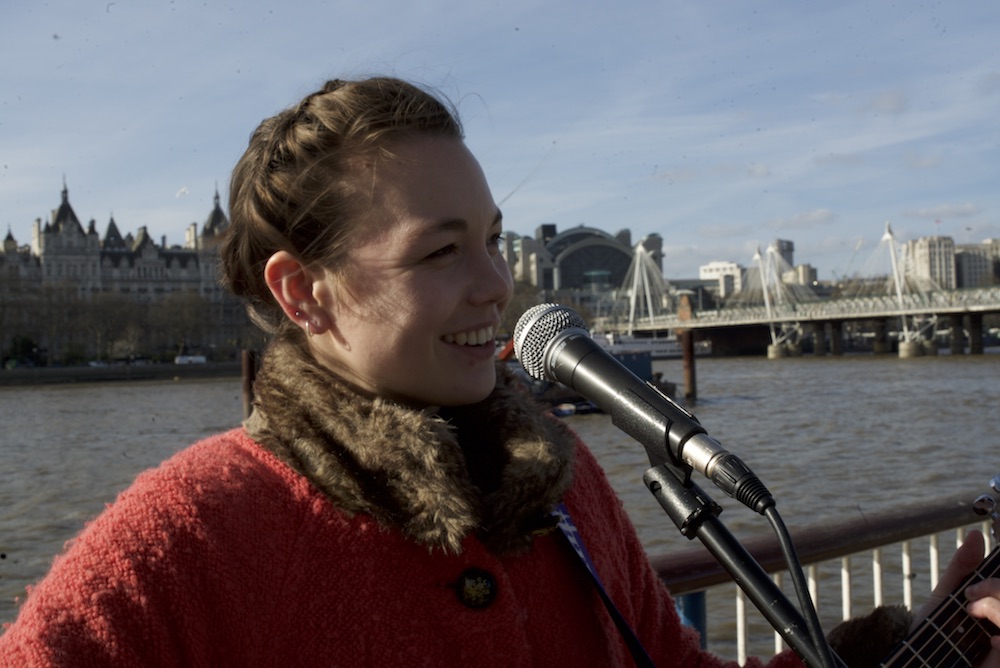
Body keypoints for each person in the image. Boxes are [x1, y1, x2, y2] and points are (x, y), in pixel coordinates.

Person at [0, 76, 998, 667]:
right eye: (441, 252)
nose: (499, 285)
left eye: (494, 239)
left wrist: (934, 638)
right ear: (305, 293)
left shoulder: (566, 488)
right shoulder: (190, 530)